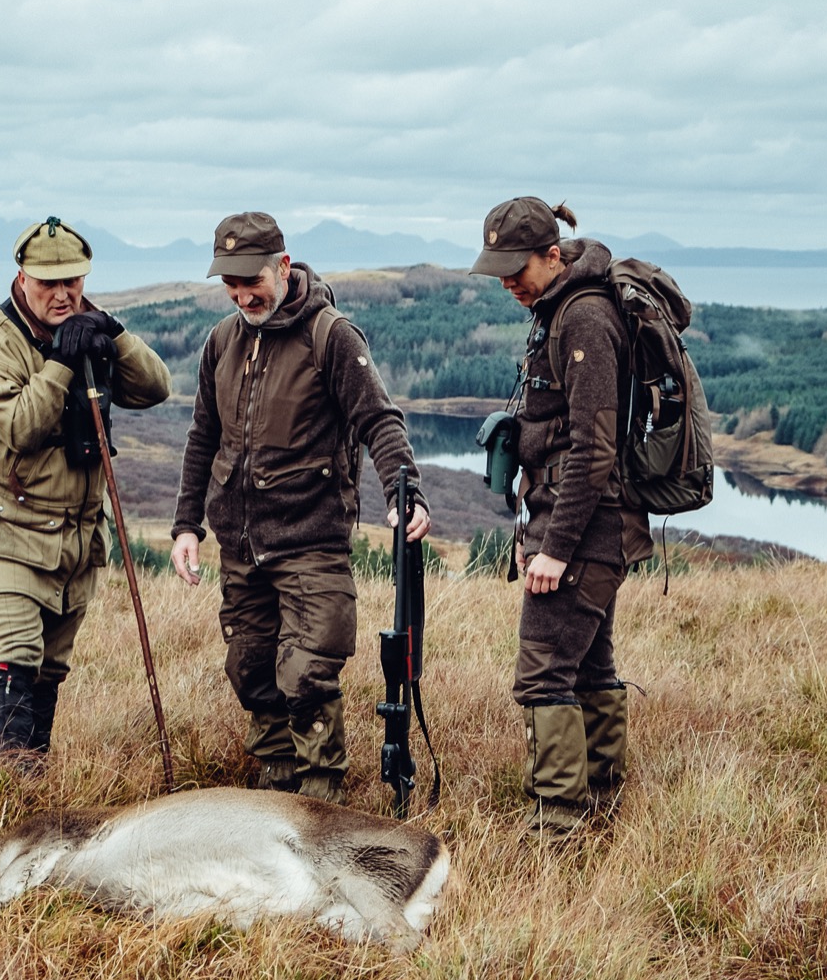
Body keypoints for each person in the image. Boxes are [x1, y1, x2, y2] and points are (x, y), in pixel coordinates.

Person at [170, 211, 430, 804]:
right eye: (230, 286)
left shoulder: (332, 336)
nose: (242, 296)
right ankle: (276, 792)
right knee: (253, 672)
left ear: (282, 268)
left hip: (311, 542)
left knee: (307, 675)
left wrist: (401, 491)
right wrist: (187, 524)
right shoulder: (221, 342)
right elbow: (201, 439)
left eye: (251, 282)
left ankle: (319, 804)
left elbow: (379, 420)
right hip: (240, 547)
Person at [0, 217, 172, 773]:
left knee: (48, 670)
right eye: (47, 282)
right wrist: (61, 362)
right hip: (4, 537)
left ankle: (32, 790)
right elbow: (21, 427)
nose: (61, 293)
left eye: (71, 281)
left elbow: (155, 387)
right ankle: (4, 798)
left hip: (74, 542)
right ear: (20, 277)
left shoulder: (85, 326)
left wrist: (112, 331)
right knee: (12, 661)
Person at [471, 197, 652, 838]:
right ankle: (600, 807)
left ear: (552, 254)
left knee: (544, 671)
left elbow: (593, 448)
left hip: (585, 532)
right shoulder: (557, 309)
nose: (507, 283)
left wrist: (555, 547)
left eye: (515, 268)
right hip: (579, 527)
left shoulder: (585, 321)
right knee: (591, 667)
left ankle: (559, 829)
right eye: (498, 270)